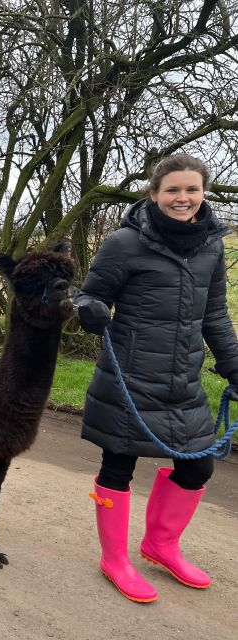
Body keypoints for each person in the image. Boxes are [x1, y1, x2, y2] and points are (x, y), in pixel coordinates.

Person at [76, 153, 238, 603]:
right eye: (172, 190)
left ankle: (160, 545)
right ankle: (115, 559)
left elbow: (216, 316)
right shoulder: (123, 243)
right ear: (154, 194)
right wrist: (89, 309)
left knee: (198, 465)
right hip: (129, 380)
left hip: (182, 384)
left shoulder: (211, 246)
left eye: (191, 189)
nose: (182, 198)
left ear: (203, 193)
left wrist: (234, 365)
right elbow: (91, 296)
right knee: (118, 466)